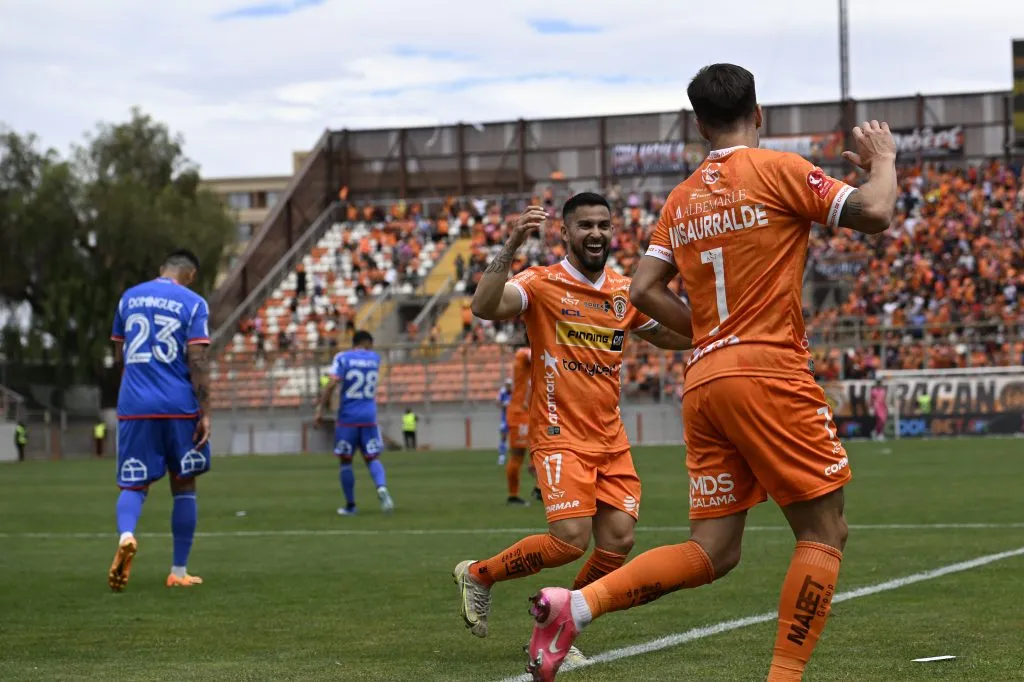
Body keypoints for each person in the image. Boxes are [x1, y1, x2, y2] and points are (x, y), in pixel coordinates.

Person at [523, 63, 898, 681]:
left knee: (713, 550)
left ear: (698, 125)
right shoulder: (778, 169)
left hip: (703, 381)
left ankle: (576, 605)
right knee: (825, 529)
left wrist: (711, 334)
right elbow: (876, 213)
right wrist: (882, 159)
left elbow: (643, 287)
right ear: (760, 113)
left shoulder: (681, 197)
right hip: (769, 371)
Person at [453, 192, 692, 657]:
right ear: (565, 232)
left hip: (610, 439)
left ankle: (558, 626)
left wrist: (721, 327)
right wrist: (512, 244)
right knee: (569, 542)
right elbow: (484, 305)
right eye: (585, 225)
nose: (597, 233)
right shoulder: (540, 284)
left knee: (619, 540)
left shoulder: (626, 291)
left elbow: (668, 335)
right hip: (560, 434)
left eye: (603, 224)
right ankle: (479, 574)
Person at [108, 249, 214, 591]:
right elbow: (197, 359)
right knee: (184, 485)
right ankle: (178, 571)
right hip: (178, 406)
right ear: (191, 275)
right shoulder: (194, 303)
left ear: (160, 269)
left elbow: (118, 353)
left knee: (133, 485)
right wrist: (206, 411)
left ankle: (127, 536)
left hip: (135, 404)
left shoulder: (128, 298)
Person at [315, 330, 394, 516]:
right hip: (369, 417)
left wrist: (321, 408)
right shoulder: (374, 359)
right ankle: (382, 489)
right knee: (372, 458)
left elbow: (333, 382)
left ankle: (351, 506)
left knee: (346, 461)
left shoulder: (343, 358)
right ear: (367, 343)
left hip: (348, 418)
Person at [504, 339, 539, 504]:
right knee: (518, 454)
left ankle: (539, 489)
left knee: (540, 449)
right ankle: (513, 496)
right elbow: (533, 355)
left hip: (529, 412)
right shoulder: (522, 353)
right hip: (519, 413)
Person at [496, 378, 512, 466]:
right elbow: (497, 403)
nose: (508, 387)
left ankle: (515, 457)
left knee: (515, 438)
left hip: (514, 418)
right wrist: (504, 404)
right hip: (505, 418)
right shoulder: (502, 392)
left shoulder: (514, 392)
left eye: (509, 385)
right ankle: (502, 456)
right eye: (507, 385)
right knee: (503, 436)